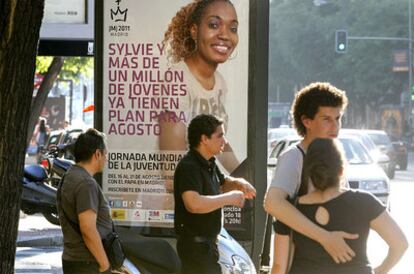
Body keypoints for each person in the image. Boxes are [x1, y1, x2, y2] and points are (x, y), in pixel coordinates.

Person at [264, 82, 358, 273]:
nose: (335, 126)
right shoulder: (294, 157)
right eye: (326, 119)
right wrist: (324, 237)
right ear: (306, 121)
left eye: (338, 118)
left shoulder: (335, 157)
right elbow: (272, 203)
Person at [278, 138, 408, 274]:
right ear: (341, 171)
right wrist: (380, 271)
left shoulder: (290, 210)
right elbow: (400, 244)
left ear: (309, 174)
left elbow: (278, 266)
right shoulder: (364, 202)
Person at [161, 0, 241, 174]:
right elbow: (171, 165)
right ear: (194, 30)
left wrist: (244, 176)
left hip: (199, 190)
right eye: (214, 25)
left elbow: (217, 140)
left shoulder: (220, 83)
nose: (225, 35)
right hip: (175, 196)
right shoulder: (177, 79)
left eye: (233, 28)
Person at [174, 114, 256, 274]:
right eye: (220, 136)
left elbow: (222, 182)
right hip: (196, 249)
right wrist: (228, 199)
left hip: (208, 246)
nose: (224, 141)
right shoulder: (189, 166)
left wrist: (239, 183)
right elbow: (193, 204)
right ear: (204, 139)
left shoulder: (208, 162)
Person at [57, 128, 112, 274]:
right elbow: (88, 229)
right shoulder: (86, 183)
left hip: (74, 259)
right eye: (105, 154)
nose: (106, 158)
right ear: (97, 154)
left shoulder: (69, 175)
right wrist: (105, 264)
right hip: (86, 262)